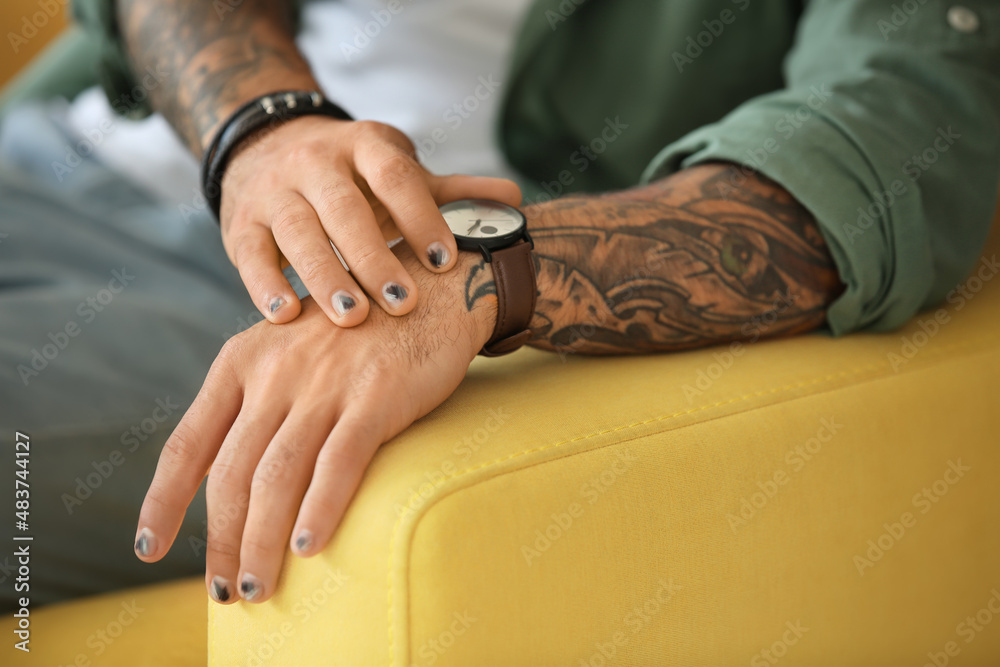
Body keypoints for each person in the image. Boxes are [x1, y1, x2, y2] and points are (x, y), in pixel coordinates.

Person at [0, 0, 996, 609]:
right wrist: (263, 128)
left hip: (306, 311)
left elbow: (890, 142)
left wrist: (481, 274)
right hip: (58, 152)